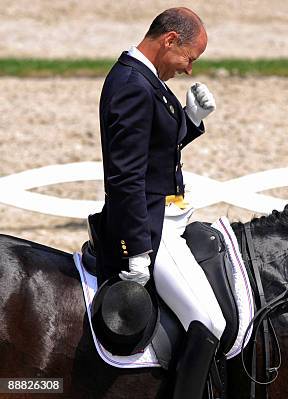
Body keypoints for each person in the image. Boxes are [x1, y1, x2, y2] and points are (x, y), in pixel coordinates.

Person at [93, 7, 225, 399]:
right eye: (189, 58)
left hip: (169, 216)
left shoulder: (143, 78)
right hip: (153, 226)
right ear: (169, 40)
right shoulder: (133, 85)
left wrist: (190, 118)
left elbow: (155, 147)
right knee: (208, 322)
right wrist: (135, 249)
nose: (188, 70)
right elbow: (126, 178)